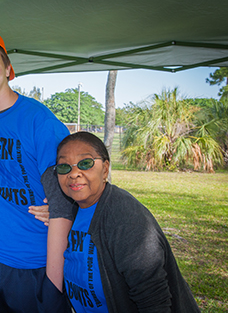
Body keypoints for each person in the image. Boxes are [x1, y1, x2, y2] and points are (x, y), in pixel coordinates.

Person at [0, 27, 73, 312]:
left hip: (34, 265)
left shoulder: (40, 123)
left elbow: (70, 199)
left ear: (9, 68)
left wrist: (53, 283)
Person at [47, 131, 201, 312]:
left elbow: (153, 298)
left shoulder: (125, 216)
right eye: (65, 167)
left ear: (105, 169)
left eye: (85, 163)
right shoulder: (74, 209)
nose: (74, 174)